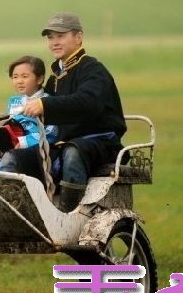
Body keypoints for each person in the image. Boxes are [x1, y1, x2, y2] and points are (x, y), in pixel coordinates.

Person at [21, 12, 127, 213]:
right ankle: (26, 218)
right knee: (16, 157)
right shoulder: (55, 77)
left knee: (72, 153)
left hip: (100, 142)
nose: (54, 42)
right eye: (50, 37)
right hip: (65, 143)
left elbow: (88, 103)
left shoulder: (93, 70)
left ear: (79, 37)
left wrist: (45, 105)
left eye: (60, 35)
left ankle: (67, 218)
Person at [0, 55, 60, 183]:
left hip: (35, 153)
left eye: (25, 76)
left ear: (39, 79)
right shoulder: (13, 101)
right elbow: (7, 127)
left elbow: (51, 133)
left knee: (9, 160)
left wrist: (23, 142)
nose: (19, 81)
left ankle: (9, 197)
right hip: (11, 149)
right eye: (15, 77)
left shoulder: (48, 101)